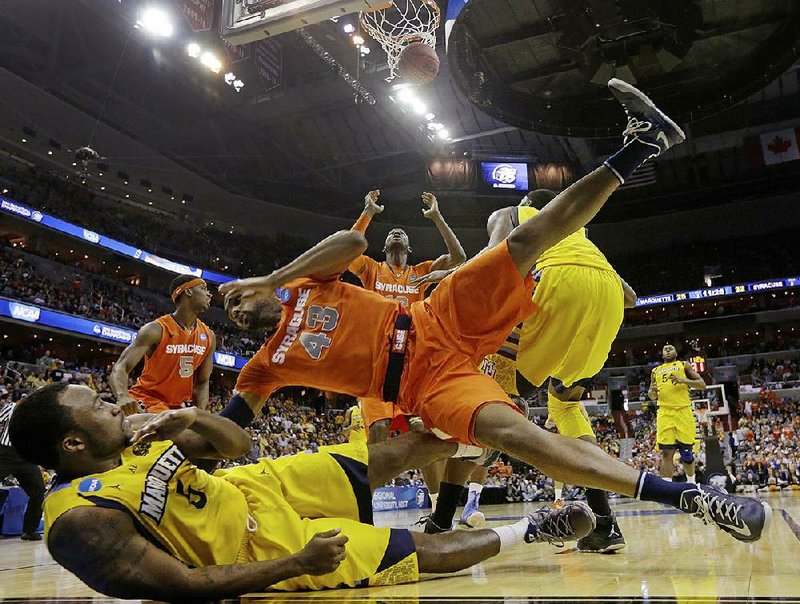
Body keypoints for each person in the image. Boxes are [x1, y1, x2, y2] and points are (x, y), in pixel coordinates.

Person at [220, 79, 771, 544]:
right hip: (421, 381)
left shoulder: (314, 280)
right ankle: (687, 497)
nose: (237, 310)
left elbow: (349, 241)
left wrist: (271, 277)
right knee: (510, 436)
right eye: (230, 313)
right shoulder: (262, 366)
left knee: (525, 239)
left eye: (235, 297)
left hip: (435, 317)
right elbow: (232, 431)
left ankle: (642, 145)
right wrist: (166, 438)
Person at [9, 383, 593, 599]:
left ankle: (474, 430)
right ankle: (527, 529)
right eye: (98, 409)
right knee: (407, 550)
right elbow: (185, 586)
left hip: (247, 484)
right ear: (73, 446)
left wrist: (188, 416)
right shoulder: (81, 522)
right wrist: (299, 561)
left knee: (371, 458)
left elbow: (237, 445)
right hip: (256, 547)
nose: (115, 406)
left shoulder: (135, 435)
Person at [348, 189, 466, 511]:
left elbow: (459, 259)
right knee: (380, 432)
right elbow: (346, 251)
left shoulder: (420, 273)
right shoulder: (372, 269)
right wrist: (368, 213)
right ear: (385, 247)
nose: (396, 233)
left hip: (412, 364)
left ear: (408, 248)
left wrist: (437, 217)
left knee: (422, 431)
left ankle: (439, 508)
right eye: (391, 234)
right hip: (376, 362)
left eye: (401, 234)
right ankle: (364, 507)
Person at [110, 275, 215, 415]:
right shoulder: (155, 330)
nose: (209, 294)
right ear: (188, 291)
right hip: (146, 400)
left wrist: (200, 413)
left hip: (175, 407)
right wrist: (123, 397)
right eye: (203, 289)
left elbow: (202, 382)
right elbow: (121, 367)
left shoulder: (209, 336)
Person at [648, 343, 707, 483]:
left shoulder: (683, 365)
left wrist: (683, 380)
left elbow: (702, 384)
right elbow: (652, 395)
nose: (667, 349)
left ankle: (691, 483)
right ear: (662, 354)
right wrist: (652, 392)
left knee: (686, 453)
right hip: (665, 412)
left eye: (671, 348)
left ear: (675, 352)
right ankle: (666, 487)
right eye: (665, 349)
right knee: (667, 453)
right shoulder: (655, 371)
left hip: (683, 411)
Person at [0, 393, 45, 540]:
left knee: (38, 491)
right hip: (5, 453)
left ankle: (29, 530)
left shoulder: (37, 417)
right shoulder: (11, 407)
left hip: (25, 456)